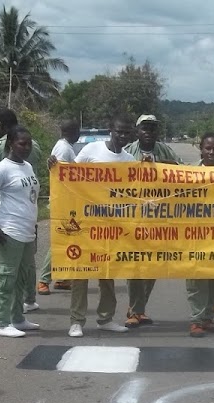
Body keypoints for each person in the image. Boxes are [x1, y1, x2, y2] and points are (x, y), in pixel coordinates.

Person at [67, 115, 137, 337]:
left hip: (111, 225)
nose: (123, 136)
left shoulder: (128, 160)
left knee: (108, 273)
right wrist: (56, 168)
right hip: (85, 222)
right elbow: (70, 177)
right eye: (119, 131)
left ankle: (105, 318)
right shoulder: (91, 151)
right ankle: (77, 321)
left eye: (127, 132)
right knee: (80, 273)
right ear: (110, 130)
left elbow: (138, 190)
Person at [0, 109, 44, 312]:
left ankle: (20, 310)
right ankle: (19, 307)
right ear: (12, 144)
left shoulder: (0, 148)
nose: (26, 147)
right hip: (9, 220)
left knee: (22, 267)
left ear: (1, 126)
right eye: (22, 144)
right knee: (13, 269)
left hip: (20, 215)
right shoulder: (35, 146)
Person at [122, 114, 182, 327]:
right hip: (133, 217)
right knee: (136, 265)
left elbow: (181, 170)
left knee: (153, 267)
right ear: (137, 130)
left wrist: (157, 165)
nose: (149, 131)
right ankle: (134, 309)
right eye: (145, 128)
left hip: (159, 218)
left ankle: (140, 308)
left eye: (153, 128)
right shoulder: (128, 151)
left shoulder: (165, 150)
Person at [185, 132, 214, 338]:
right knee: (196, 280)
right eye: (208, 148)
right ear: (200, 148)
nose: (211, 152)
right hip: (194, 235)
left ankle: (208, 317)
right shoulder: (188, 173)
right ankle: (196, 319)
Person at [39, 120, 83, 295]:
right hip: (63, 202)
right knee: (61, 240)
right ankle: (44, 279)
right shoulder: (64, 149)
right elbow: (64, 178)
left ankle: (63, 278)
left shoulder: (63, 146)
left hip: (66, 201)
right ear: (72, 131)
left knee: (71, 239)